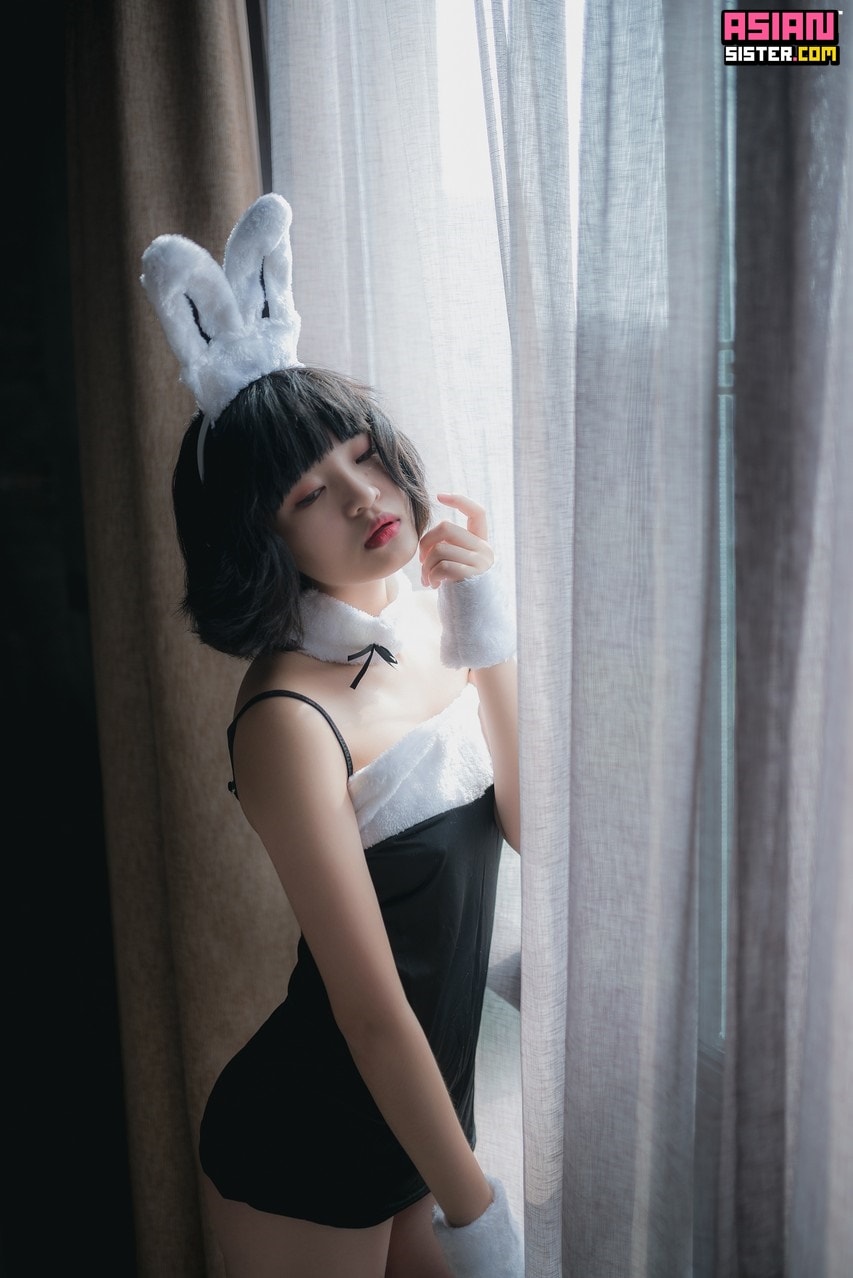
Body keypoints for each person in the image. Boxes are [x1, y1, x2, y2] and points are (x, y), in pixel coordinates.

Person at [141, 193, 523, 1278]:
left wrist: (484, 629)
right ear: (260, 541)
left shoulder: (426, 629)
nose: (365, 498)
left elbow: (531, 825)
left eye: (365, 455)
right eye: (312, 492)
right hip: (313, 1140)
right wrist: (477, 1214)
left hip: (423, 1116)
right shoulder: (285, 720)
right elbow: (367, 1012)